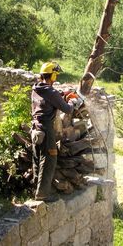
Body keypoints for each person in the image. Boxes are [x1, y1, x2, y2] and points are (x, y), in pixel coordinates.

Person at [31, 61, 81, 202]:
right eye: (55, 76)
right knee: (49, 160)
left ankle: (35, 189)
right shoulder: (50, 91)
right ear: (52, 76)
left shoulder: (36, 88)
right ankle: (43, 194)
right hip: (46, 130)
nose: (56, 79)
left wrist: (63, 93)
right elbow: (68, 109)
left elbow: (51, 95)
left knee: (37, 159)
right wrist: (73, 101)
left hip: (35, 129)